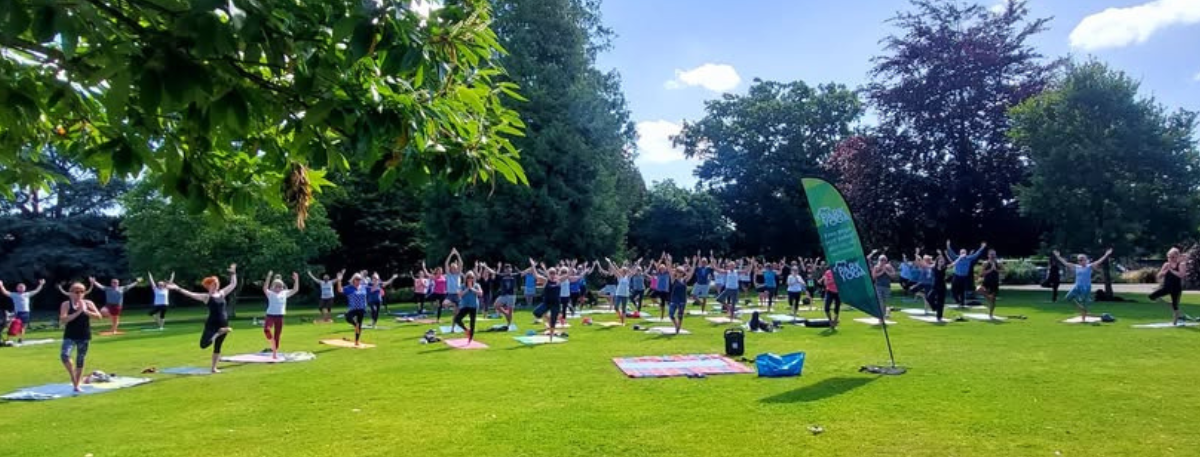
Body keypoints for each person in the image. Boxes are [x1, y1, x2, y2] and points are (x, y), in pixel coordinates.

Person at [170, 264, 238, 373]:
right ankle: (218, 333)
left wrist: (233, 273)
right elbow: (190, 294)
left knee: (218, 346)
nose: (215, 286)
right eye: (213, 284)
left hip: (223, 322)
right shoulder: (206, 297)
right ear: (208, 286)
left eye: (216, 284)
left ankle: (213, 368)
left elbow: (233, 284)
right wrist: (177, 288)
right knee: (203, 345)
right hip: (212, 324)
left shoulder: (222, 293)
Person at [58, 282, 102, 392]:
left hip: (84, 335)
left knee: (80, 360)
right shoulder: (66, 304)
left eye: (82, 291)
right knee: (64, 355)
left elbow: (99, 317)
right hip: (70, 335)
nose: (79, 294)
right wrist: (78, 312)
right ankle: (73, 378)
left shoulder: (88, 303)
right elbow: (63, 320)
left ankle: (76, 385)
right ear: (71, 293)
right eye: (77, 292)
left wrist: (86, 311)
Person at [1053, 248, 1114, 322]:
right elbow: (1065, 263)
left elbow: (1099, 261)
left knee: (1084, 303)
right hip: (1077, 286)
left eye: (1082, 259)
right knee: (1068, 297)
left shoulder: (1089, 266)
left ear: (1086, 260)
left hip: (1086, 287)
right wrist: (1058, 256)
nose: (1081, 261)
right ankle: (1081, 308)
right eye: (1079, 260)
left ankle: (1083, 319)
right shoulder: (1076, 267)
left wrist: (1106, 254)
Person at [261, 271, 300, 359]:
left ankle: (274, 353)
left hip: (280, 316)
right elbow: (265, 288)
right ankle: (271, 343)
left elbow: (295, 289)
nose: (278, 288)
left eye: (280, 286)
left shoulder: (284, 293)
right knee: (266, 329)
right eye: (277, 286)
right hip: (270, 315)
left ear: (282, 287)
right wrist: (268, 276)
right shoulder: (270, 293)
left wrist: (296, 279)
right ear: (273, 287)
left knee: (277, 335)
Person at [1149, 248, 1188, 325]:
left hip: (1176, 289)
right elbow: (1158, 276)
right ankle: (1169, 304)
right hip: (1166, 287)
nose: (1171, 259)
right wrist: (1163, 272)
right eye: (1169, 257)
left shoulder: (1181, 264)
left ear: (1177, 256)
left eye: (1173, 257)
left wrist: (1172, 270)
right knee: (1152, 296)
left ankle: (1175, 323)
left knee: (1175, 307)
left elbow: (1182, 275)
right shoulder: (1166, 264)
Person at [1, 279, 45, 343]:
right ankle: (8, 339)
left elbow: (36, 290)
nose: (21, 288)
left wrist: (41, 284)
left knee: (23, 327)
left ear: (25, 288)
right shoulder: (14, 294)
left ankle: (21, 339)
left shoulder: (27, 294)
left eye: (23, 287)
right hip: (17, 313)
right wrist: (1, 285)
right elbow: (5, 292)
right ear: (17, 288)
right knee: (13, 325)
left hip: (26, 313)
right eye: (20, 287)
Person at [946, 241, 987, 307]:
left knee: (962, 291)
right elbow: (951, 253)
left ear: (966, 253)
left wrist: (982, 247)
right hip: (956, 276)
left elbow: (977, 254)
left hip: (964, 277)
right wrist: (948, 246)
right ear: (960, 253)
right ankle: (957, 301)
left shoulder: (969, 258)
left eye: (964, 252)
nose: (963, 254)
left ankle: (962, 303)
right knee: (954, 290)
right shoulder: (956, 257)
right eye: (962, 253)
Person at [335, 271, 369, 347]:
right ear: (353, 280)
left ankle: (357, 341)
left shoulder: (363, 287)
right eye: (357, 279)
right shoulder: (349, 288)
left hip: (361, 309)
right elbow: (340, 290)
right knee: (348, 318)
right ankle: (355, 324)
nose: (358, 281)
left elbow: (372, 288)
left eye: (360, 279)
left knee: (359, 325)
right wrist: (339, 280)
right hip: (353, 308)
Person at [454, 271, 483, 343]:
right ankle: (466, 329)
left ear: (474, 279)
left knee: (472, 322)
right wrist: (468, 289)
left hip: (473, 306)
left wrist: (472, 289)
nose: (470, 279)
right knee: (457, 319)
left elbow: (480, 293)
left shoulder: (476, 285)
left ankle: (470, 338)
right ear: (466, 279)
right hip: (465, 306)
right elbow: (460, 294)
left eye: (472, 278)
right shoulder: (462, 286)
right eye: (468, 278)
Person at [977, 250, 1002, 319]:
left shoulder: (998, 263)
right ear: (988, 255)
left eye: (993, 254)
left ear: (995, 255)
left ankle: (991, 315)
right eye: (991, 254)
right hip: (986, 282)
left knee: (993, 300)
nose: (992, 256)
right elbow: (982, 273)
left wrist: (996, 270)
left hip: (994, 282)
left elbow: (1004, 271)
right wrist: (990, 270)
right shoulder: (985, 263)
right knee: (978, 289)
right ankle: (988, 298)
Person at [668, 264, 692, 335]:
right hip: (674, 299)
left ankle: (678, 329)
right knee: (671, 314)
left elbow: (691, 273)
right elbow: (669, 270)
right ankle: (676, 325)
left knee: (680, 315)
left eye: (681, 272)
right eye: (678, 272)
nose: (679, 273)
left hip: (682, 300)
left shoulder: (685, 280)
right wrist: (669, 261)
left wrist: (693, 263)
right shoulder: (674, 280)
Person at [929, 251, 949, 322]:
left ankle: (939, 317)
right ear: (937, 261)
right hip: (935, 286)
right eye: (940, 261)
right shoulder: (934, 267)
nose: (941, 262)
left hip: (942, 287)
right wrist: (918, 257)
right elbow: (924, 265)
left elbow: (953, 263)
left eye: (942, 261)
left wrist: (959, 258)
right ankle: (935, 308)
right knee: (929, 297)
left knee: (941, 302)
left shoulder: (944, 267)